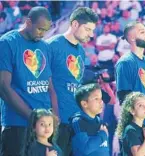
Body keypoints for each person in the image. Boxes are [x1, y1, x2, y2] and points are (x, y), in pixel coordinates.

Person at [0, 6, 54, 155]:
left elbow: (49, 86)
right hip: (17, 125)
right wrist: (33, 118)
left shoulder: (44, 47)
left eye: (46, 31)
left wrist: (51, 116)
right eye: (40, 29)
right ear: (28, 22)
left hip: (43, 126)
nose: (43, 34)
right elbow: (3, 88)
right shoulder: (7, 43)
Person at [46, 7, 98, 155]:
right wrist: (53, 115)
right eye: (88, 29)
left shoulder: (81, 51)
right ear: (75, 24)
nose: (91, 34)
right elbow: (43, 82)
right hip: (55, 121)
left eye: (92, 30)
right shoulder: (52, 45)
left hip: (75, 122)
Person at [115, 21, 145, 138]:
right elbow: (124, 98)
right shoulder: (125, 63)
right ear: (132, 38)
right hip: (136, 127)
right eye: (142, 32)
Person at [69, 83, 109, 156]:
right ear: (84, 104)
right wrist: (102, 135)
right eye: (96, 99)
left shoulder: (100, 122)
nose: (101, 102)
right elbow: (85, 149)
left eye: (101, 98)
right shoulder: (78, 121)